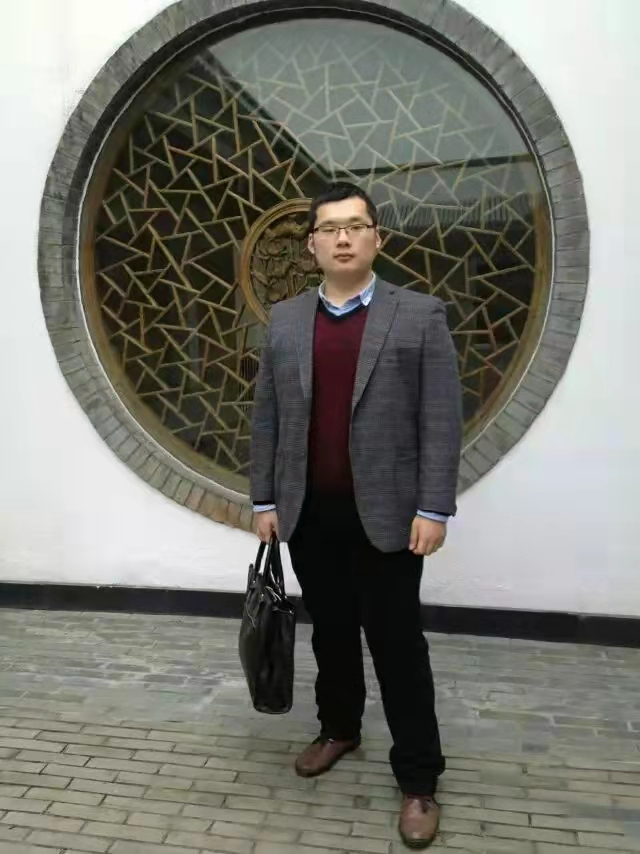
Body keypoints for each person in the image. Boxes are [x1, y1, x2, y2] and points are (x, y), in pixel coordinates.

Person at [250, 182, 462, 849]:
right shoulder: (286, 320)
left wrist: (434, 507)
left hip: (390, 516)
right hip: (310, 513)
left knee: (399, 647)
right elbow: (267, 417)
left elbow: (441, 420)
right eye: (329, 228)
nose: (343, 238)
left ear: (377, 238)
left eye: (355, 226)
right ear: (312, 244)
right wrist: (264, 500)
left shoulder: (419, 315)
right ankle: (339, 728)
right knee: (332, 634)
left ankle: (419, 778)